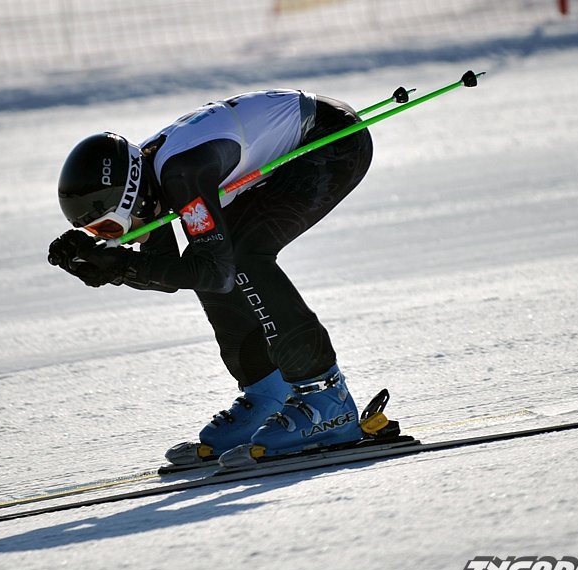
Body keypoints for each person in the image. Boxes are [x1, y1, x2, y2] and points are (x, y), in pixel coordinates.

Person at [48, 89, 375, 466]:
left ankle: (328, 401)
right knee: (212, 256)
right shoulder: (146, 179)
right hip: (301, 127)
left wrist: (120, 264)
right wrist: (108, 267)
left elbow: (215, 274)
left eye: (109, 227)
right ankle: (270, 394)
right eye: (98, 234)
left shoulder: (181, 175)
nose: (116, 239)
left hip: (334, 140)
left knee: (242, 256)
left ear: (134, 200)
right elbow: (170, 274)